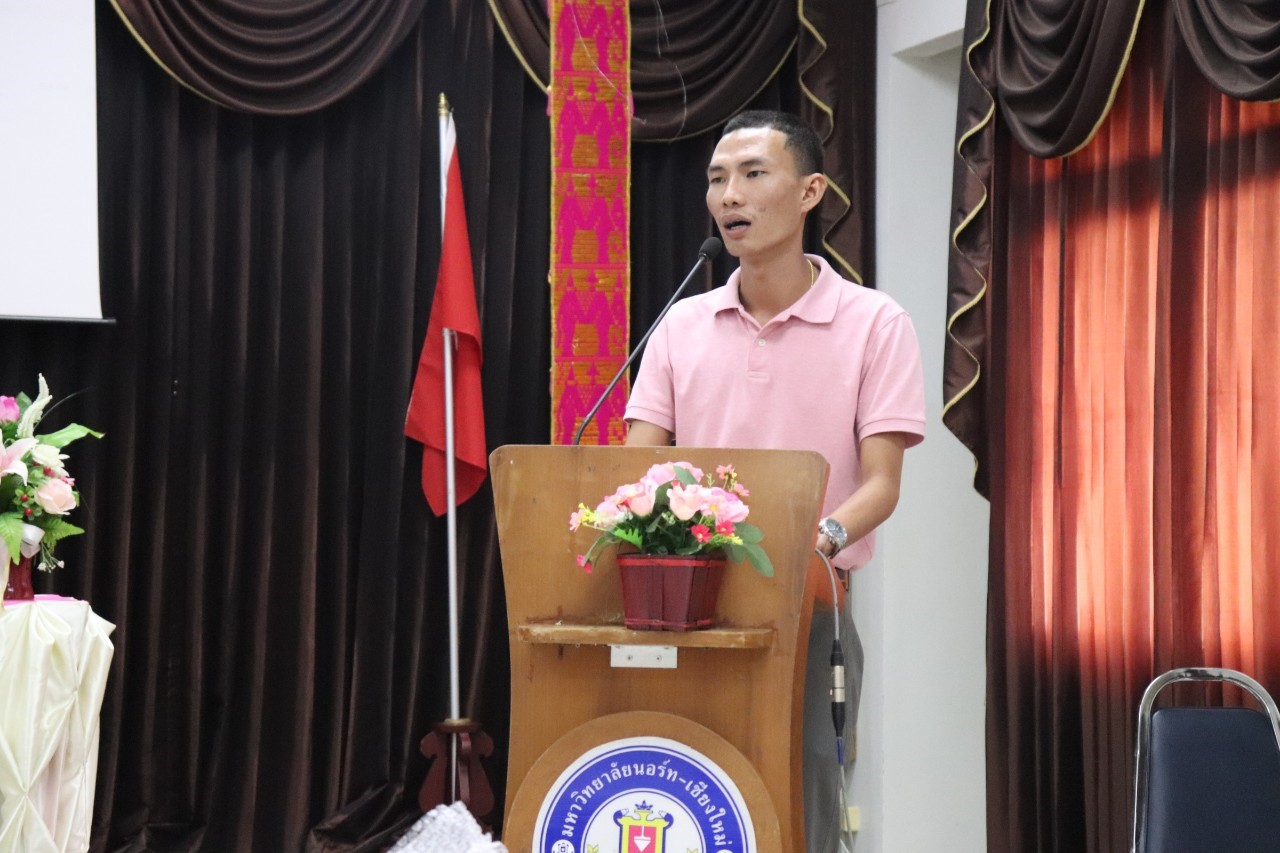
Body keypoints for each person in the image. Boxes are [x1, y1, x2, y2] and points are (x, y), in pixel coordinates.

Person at [624, 110, 925, 852]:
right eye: (717, 179)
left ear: (809, 191)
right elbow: (637, 474)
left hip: (810, 607)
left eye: (754, 174)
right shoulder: (680, 325)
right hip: (687, 608)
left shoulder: (874, 322)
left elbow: (882, 484)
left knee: (803, 807)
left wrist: (812, 542)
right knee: (689, 800)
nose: (730, 195)